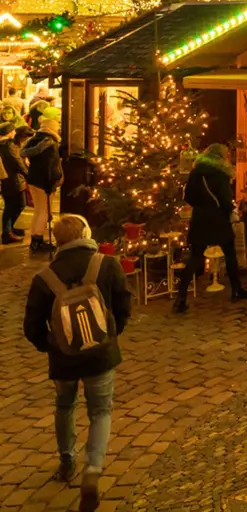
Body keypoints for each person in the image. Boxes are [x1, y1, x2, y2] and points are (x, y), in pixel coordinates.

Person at [23, 213, 132, 512]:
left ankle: (66, 460)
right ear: (85, 232)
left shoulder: (44, 278)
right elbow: (123, 305)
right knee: (100, 411)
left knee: (64, 406)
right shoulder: (106, 265)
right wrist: (110, 335)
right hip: (100, 355)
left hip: (64, 360)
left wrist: (53, 346)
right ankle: (93, 470)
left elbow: (31, 327)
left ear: (59, 240)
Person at [174, 144, 247, 310]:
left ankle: (181, 297)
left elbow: (188, 196)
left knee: (195, 258)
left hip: (200, 218)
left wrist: (201, 205)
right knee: (230, 254)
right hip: (218, 218)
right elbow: (224, 198)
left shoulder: (196, 172)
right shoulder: (221, 174)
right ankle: (236, 290)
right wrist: (230, 209)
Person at [23, 110, 63, 253]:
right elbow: (51, 166)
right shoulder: (50, 144)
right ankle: (38, 239)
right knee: (44, 212)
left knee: (38, 211)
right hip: (44, 181)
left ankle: (35, 239)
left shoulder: (34, 140)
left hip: (33, 179)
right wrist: (53, 181)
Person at [2, 117, 32, 243]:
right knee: (16, 204)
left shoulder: (8, 145)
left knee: (13, 204)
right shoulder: (8, 145)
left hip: (11, 179)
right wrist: (28, 174)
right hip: (12, 179)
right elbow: (17, 162)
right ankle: (7, 232)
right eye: (12, 131)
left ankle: (10, 229)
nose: (14, 133)